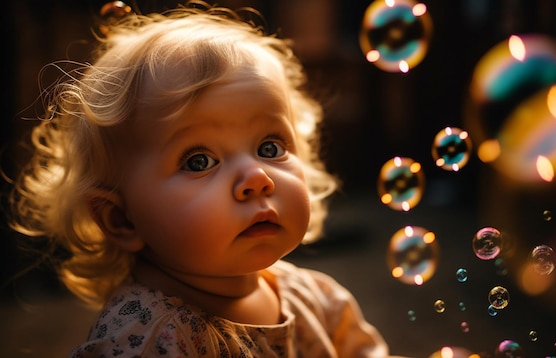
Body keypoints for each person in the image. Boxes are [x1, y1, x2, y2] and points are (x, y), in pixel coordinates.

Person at [8, 2, 391, 357]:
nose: (257, 178)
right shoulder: (146, 340)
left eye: (270, 148)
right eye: (200, 160)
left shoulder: (317, 298)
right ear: (120, 219)